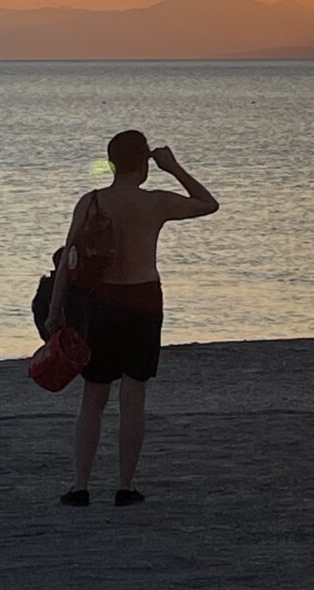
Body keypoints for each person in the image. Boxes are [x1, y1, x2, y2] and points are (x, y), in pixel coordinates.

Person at [45, 131, 219, 506]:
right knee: (133, 397)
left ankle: (80, 486)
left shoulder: (91, 202)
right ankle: (125, 486)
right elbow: (208, 203)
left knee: (93, 397)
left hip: (101, 302)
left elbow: (66, 265)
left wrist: (54, 311)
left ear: (110, 163)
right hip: (142, 299)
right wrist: (173, 167)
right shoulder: (154, 203)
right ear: (144, 164)